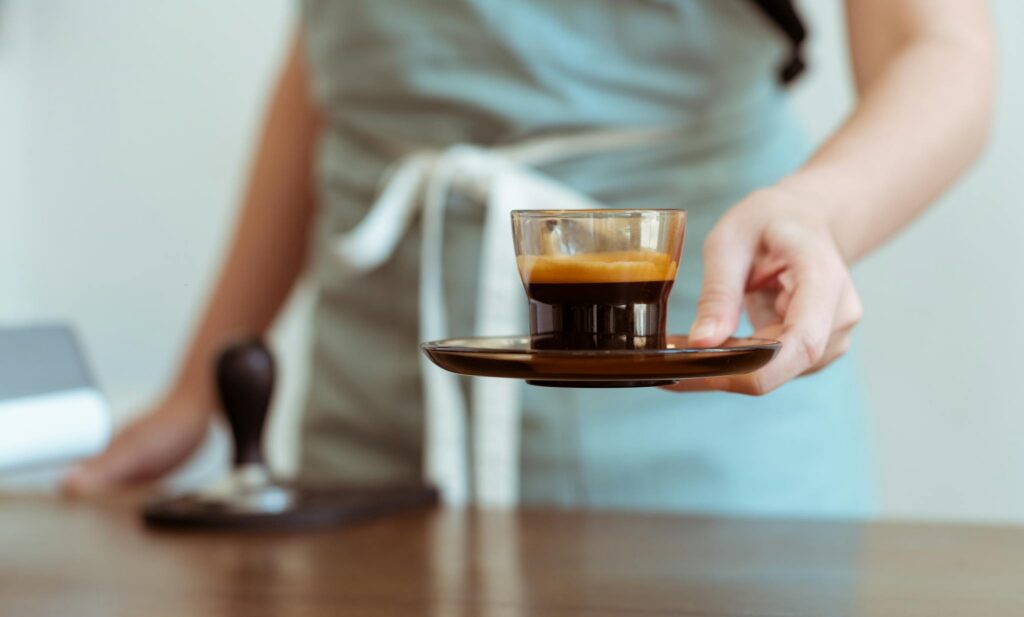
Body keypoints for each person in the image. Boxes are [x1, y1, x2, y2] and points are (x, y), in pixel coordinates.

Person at [63, 0, 993, 516]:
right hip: (370, 427)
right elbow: (329, 79)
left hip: (706, 432)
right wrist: (198, 388)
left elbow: (941, 43)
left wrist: (816, 209)